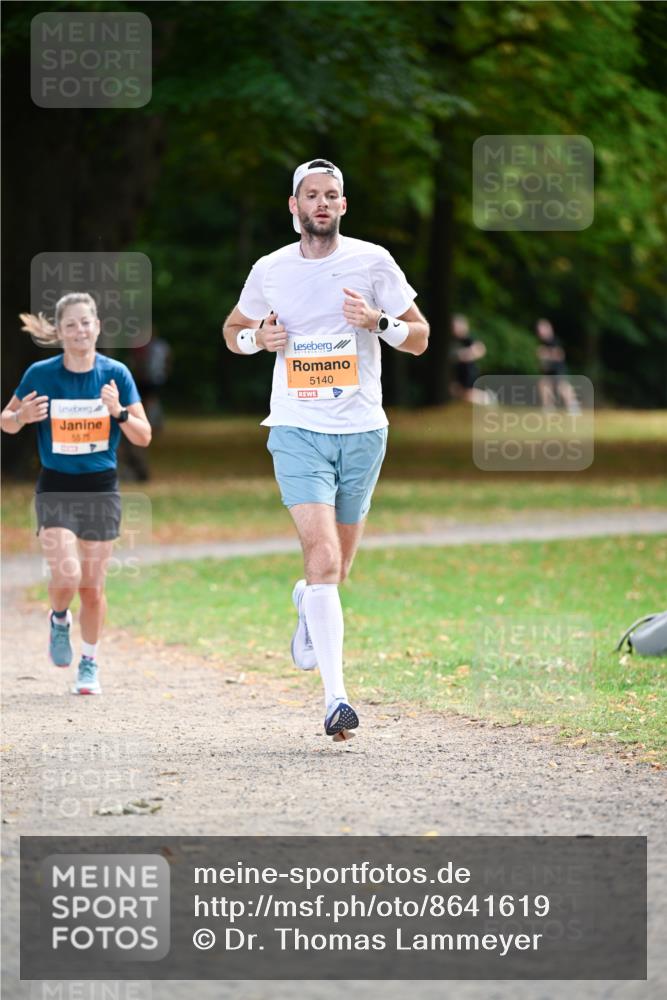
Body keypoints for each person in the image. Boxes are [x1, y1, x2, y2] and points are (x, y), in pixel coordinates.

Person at [223, 158, 429, 741]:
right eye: (310, 194)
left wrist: (378, 320)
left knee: (337, 569)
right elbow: (232, 331)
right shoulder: (270, 269)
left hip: (362, 430)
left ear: (342, 206)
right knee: (323, 558)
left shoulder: (372, 262)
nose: (320, 203)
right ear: (293, 206)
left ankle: (307, 599)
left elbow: (421, 337)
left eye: (331, 195)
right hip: (296, 427)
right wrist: (255, 339)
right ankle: (337, 699)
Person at [1, 292, 151, 695]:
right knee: (67, 572)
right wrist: (21, 416)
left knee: (93, 586)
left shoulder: (115, 373)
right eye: (71, 324)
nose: (80, 330)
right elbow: (6, 421)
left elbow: (144, 434)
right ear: (60, 333)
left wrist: (118, 411)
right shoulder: (41, 374)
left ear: (97, 326)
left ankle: (89, 662)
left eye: (86, 322)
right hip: (56, 485)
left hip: (101, 489)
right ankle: (58, 618)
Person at [535, 318, 581, 413]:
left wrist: (545, 354)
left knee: (563, 387)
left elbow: (560, 355)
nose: (540, 332)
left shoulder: (554, 340)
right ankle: (548, 407)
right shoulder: (544, 341)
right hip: (549, 370)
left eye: (542, 329)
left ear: (549, 328)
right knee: (544, 385)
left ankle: (573, 406)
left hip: (558, 369)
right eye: (539, 330)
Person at [449, 314, 490, 404]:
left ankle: (487, 399)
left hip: (468, 371)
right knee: (459, 392)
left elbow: (480, 349)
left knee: (467, 393)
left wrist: (465, 355)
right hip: (458, 372)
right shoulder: (452, 339)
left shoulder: (468, 339)